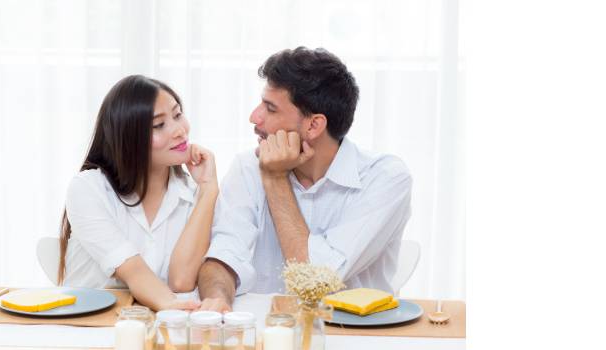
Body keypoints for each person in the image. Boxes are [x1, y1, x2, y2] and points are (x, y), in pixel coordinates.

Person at [197, 47, 413, 312]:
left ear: (313, 126)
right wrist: (217, 298)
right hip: (269, 332)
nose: (255, 117)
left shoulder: (385, 178)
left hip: (350, 336)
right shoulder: (248, 166)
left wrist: (276, 179)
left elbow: (316, 279)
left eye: (270, 108)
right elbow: (224, 254)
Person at [58, 75, 218, 311]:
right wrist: (175, 308)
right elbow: (134, 272)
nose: (179, 131)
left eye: (177, 114)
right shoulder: (89, 189)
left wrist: (209, 187)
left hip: (154, 329)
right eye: (158, 125)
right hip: (89, 330)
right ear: (128, 137)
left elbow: (181, 281)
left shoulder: (192, 195)